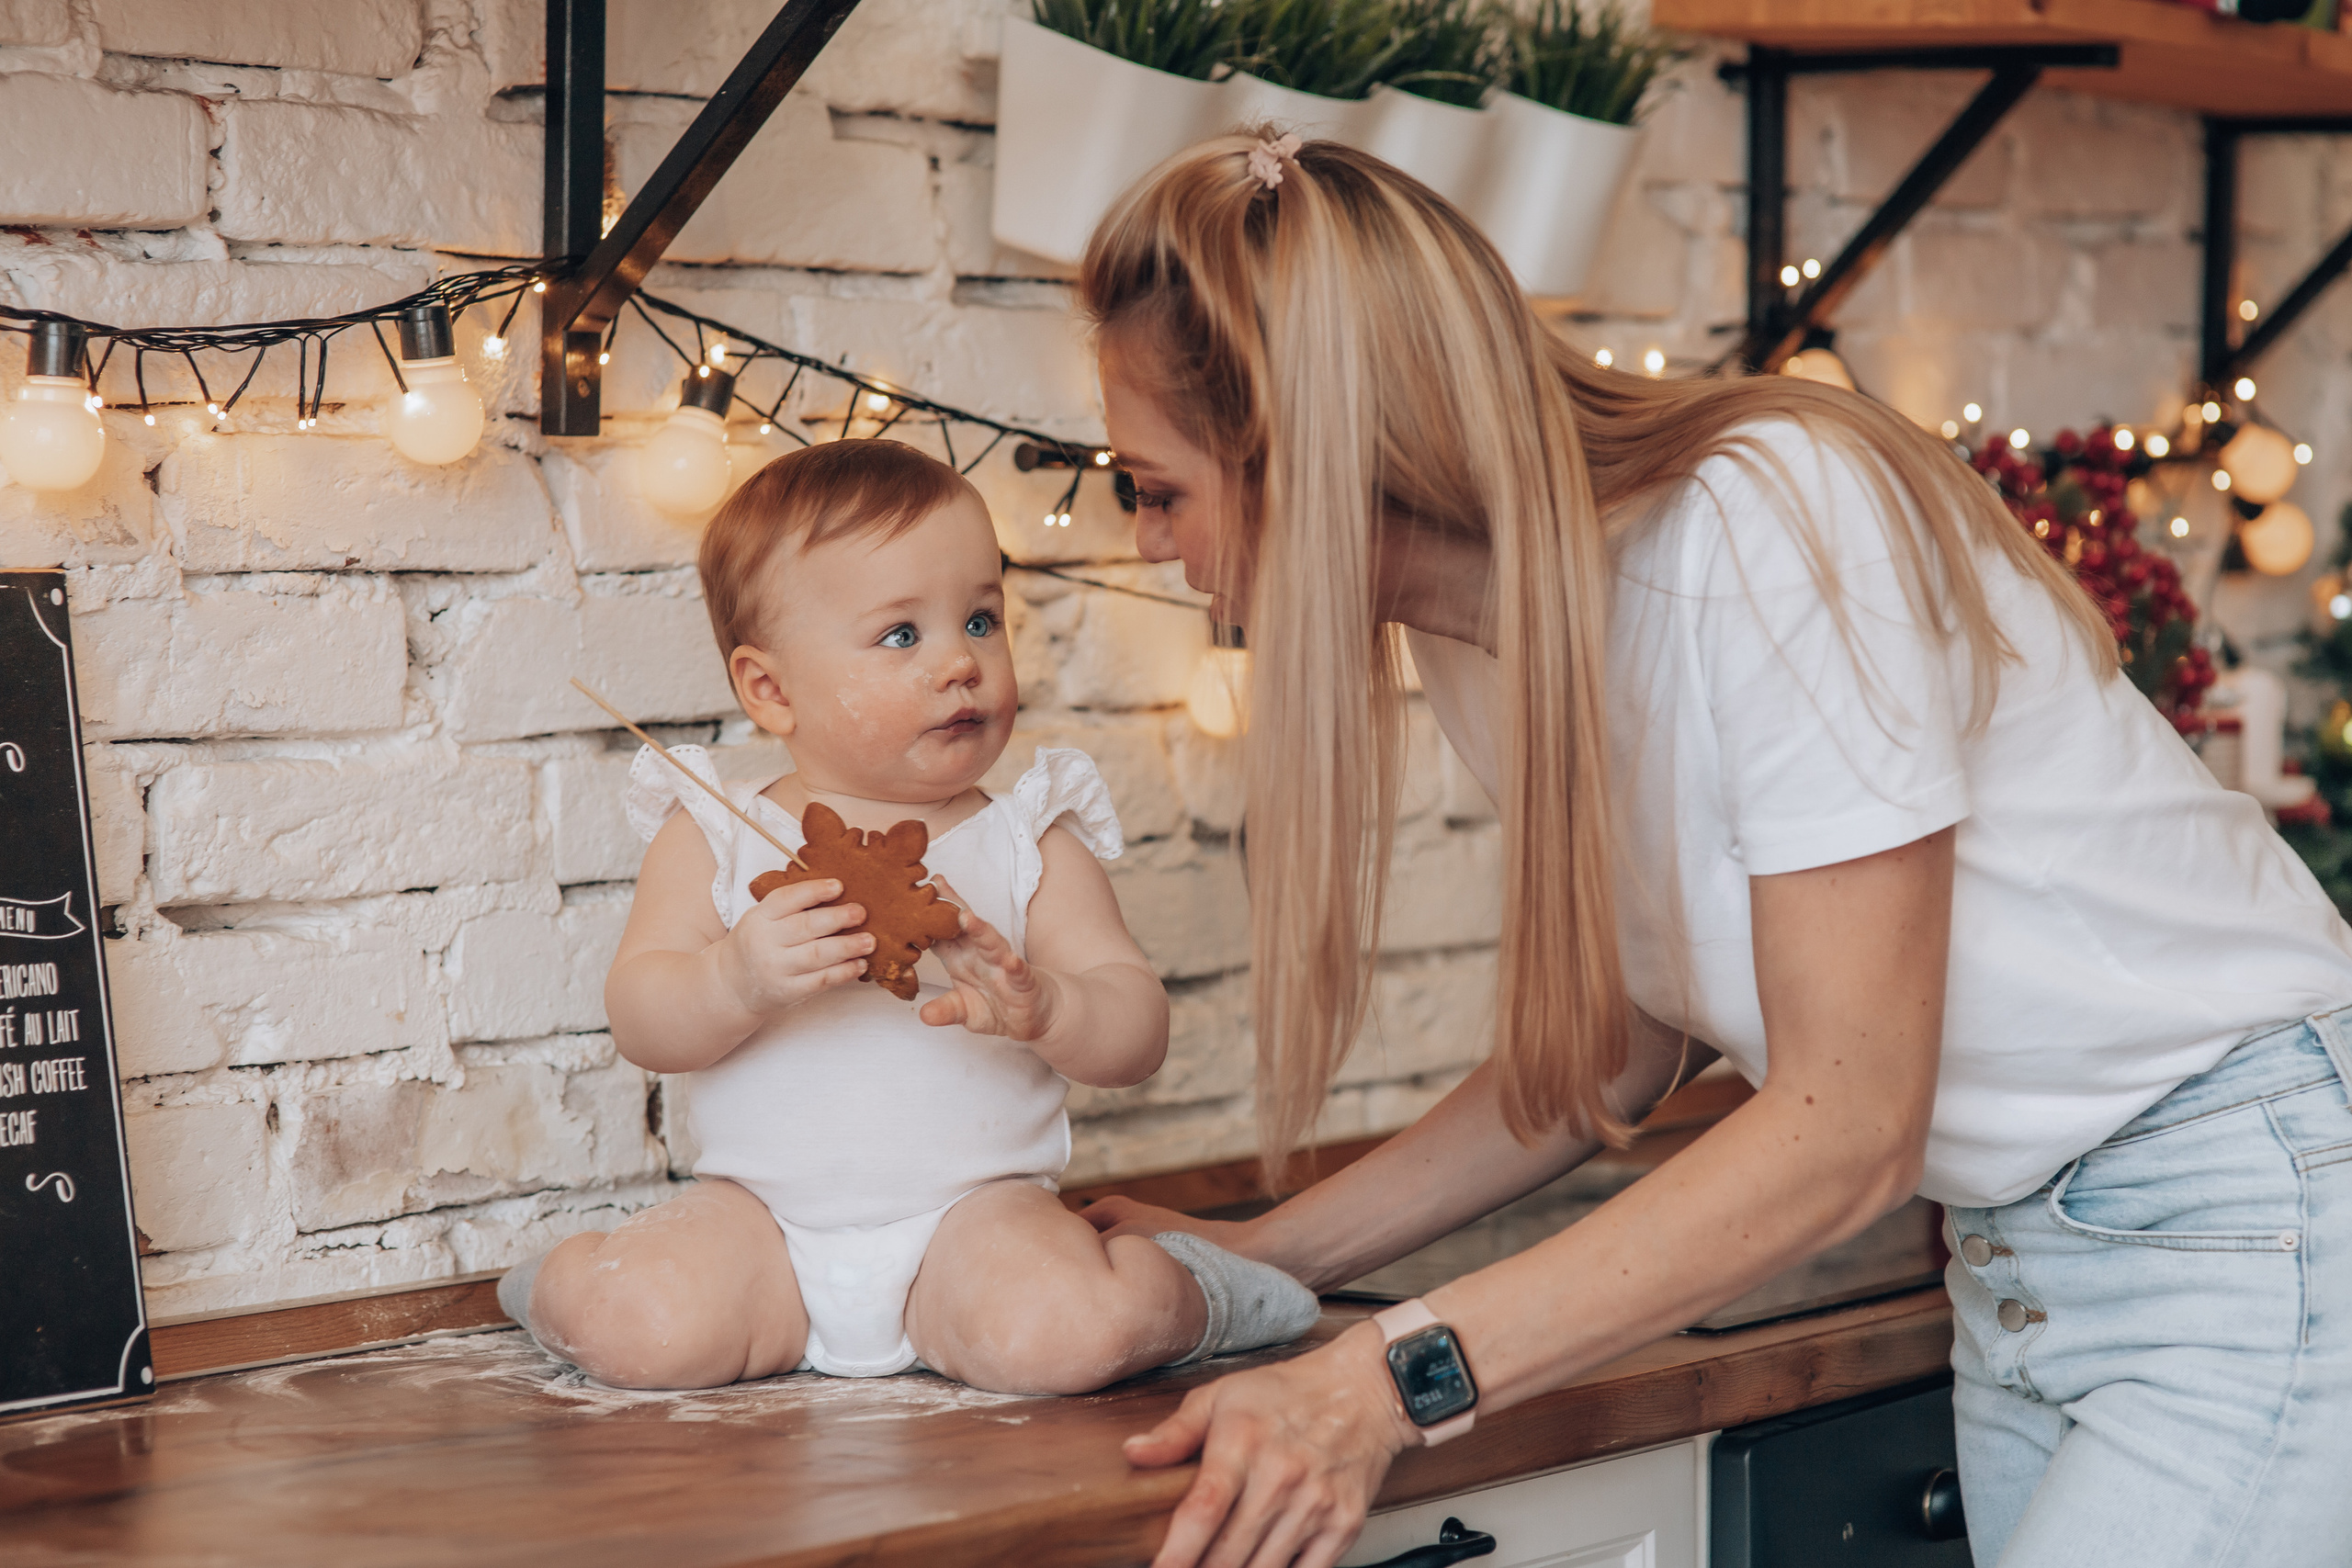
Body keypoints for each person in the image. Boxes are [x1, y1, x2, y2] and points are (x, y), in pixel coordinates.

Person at [1077, 131, 2352, 1568]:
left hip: (2246, 1203)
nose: (1150, 543)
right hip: (2027, 1258)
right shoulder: (1485, 633)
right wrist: (1254, 1260)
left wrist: (1388, 1380)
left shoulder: (1769, 522)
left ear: (1308, 451)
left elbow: (1851, 1125)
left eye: (1158, 488)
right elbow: (1624, 1038)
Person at [497, 439, 1319, 1393]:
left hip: (974, 1222)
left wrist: (1051, 1007)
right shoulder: (716, 833)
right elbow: (643, 1020)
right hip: (759, 1223)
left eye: (981, 619)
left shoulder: (1028, 840)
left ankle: (1199, 1294)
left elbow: (1137, 1031)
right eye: (901, 635)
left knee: (1062, 1333)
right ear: (770, 690)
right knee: (644, 1329)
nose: (961, 662)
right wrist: (735, 978)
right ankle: (566, 1282)